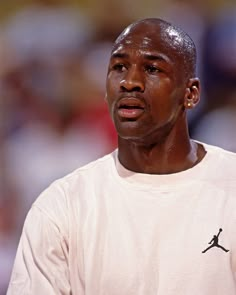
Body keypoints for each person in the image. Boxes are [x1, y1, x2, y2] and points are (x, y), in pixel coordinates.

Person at [7, 18, 236, 295]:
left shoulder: (230, 187)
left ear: (191, 93)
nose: (130, 82)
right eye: (119, 68)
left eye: (152, 68)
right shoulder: (62, 206)